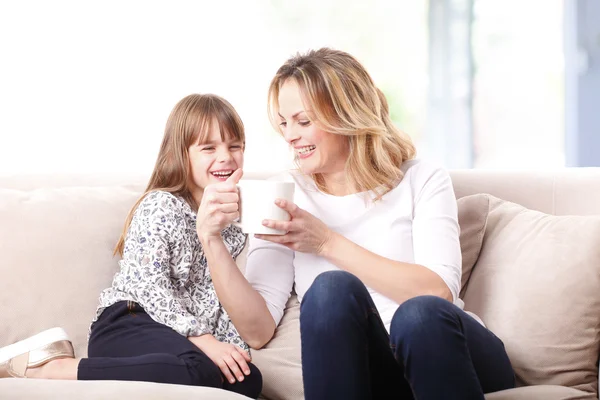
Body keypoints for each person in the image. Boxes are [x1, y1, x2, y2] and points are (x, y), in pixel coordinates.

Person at [198, 48, 516, 400]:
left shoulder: (421, 179)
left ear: (347, 116)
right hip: (376, 369)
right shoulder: (288, 195)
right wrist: (210, 240)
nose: (289, 135)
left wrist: (326, 243)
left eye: (303, 121)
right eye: (284, 123)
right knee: (328, 289)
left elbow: (438, 292)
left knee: (418, 315)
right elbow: (257, 331)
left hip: (451, 353)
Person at [0, 94, 262, 398]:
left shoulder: (236, 228)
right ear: (182, 154)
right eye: (209, 148)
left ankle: (192, 363)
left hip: (179, 341)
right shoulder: (161, 205)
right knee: (198, 368)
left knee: (247, 378)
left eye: (234, 146)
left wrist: (230, 351)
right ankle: (49, 368)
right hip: (129, 322)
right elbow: (151, 288)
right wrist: (206, 341)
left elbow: (222, 305)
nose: (226, 157)